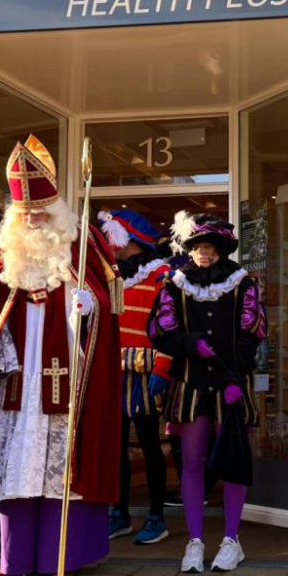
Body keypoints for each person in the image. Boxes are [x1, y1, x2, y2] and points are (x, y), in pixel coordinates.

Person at [0, 135, 123, 576]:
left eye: (40, 211)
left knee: (62, 472)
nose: (32, 219)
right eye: (25, 213)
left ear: (56, 208)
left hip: (66, 379)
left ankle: (63, 559)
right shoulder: (0, 246)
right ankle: (13, 561)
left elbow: (108, 309)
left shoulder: (82, 240)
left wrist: (86, 306)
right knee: (16, 469)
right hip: (17, 377)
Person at [147, 212, 267, 573]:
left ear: (221, 249)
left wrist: (235, 376)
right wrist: (189, 343)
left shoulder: (244, 283)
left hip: (231, 384)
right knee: (193, 462)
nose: (203, 253)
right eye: (197, 246)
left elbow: (253, 333)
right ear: (190, 249)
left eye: (210, 247)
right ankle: (195, 542)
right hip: (191, 385)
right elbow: (159, 329)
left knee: (232, 462)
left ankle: (232, 540)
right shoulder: (174, 284)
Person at [99, 208, 174, 545]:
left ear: (128, 240)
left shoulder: (162, 276)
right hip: (113, 371)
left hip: (146, 371)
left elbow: (170, 327)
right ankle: (120, 513)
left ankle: (157, 516)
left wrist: (163, 368)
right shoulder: (110, 275)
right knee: (115, 447)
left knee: (149, 445)